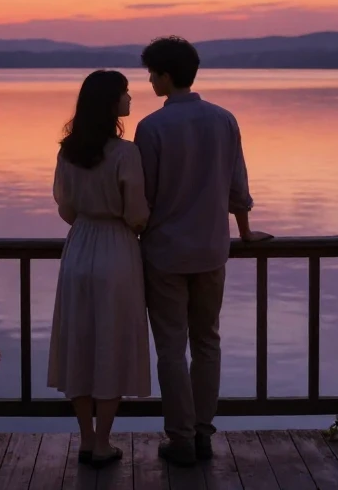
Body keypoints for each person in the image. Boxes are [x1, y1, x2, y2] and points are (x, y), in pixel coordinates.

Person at [133, 36, 272, 467]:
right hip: (213, 250)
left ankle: (180, 438)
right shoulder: (224, 120)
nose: (150, 80)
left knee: (172, 348)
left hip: (165, 254)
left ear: (166, 76)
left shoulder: (152, 128)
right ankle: (204, 432)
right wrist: (245, 233)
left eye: (152, 74)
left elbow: (145, 198)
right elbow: (238, 187)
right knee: (207, 341)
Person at [46, 70, 152, 467]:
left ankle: (87, 439)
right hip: (116, 249)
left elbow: (66, 207)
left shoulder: (68, 150)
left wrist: (89, 217)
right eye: (125, 93)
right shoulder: (126, 153)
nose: (130, 99)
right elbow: (137, 214)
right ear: (110, 103)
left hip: (79, 248)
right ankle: (104, 441)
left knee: (81, 342)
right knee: (111, 343)